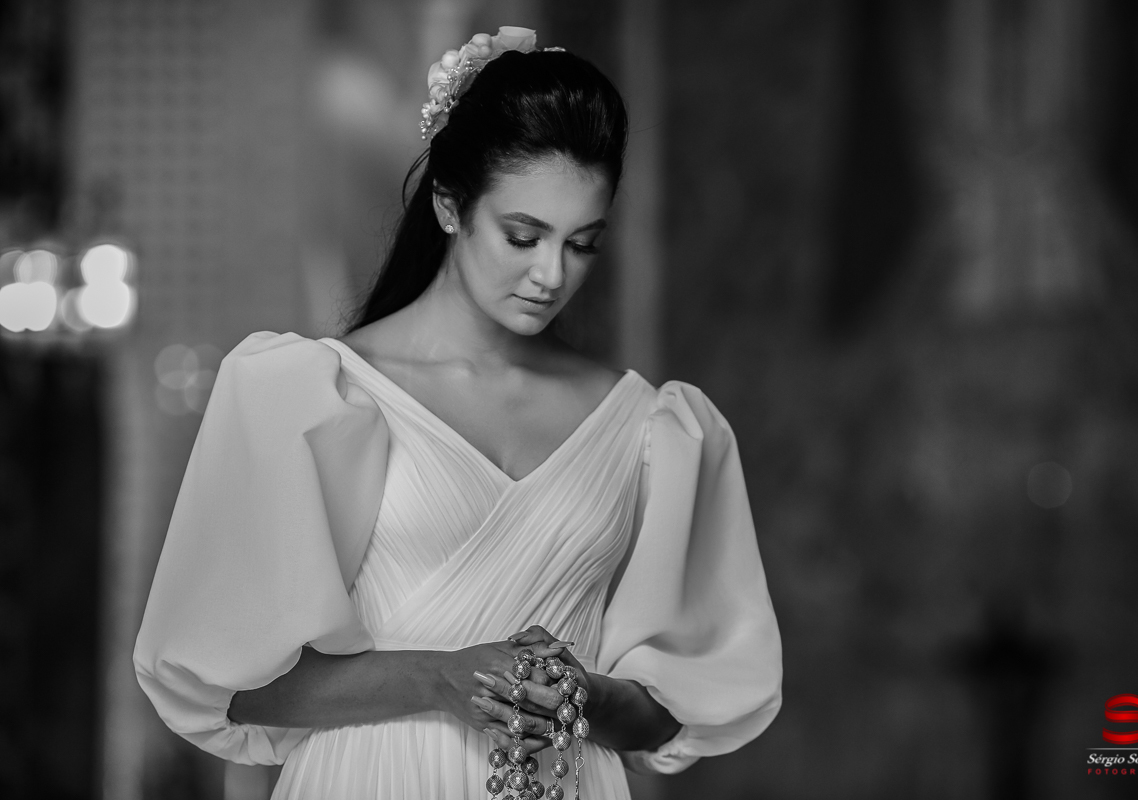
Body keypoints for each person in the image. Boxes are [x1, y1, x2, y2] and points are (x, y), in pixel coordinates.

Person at [134, 26, 782, 800]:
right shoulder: (316, 395)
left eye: (582, 244)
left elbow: (672, 717)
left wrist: (586, 694)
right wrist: (437, 678)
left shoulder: (650, 428)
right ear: (449, 204)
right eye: (523, 236)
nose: (551, 275)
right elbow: (231, 689)